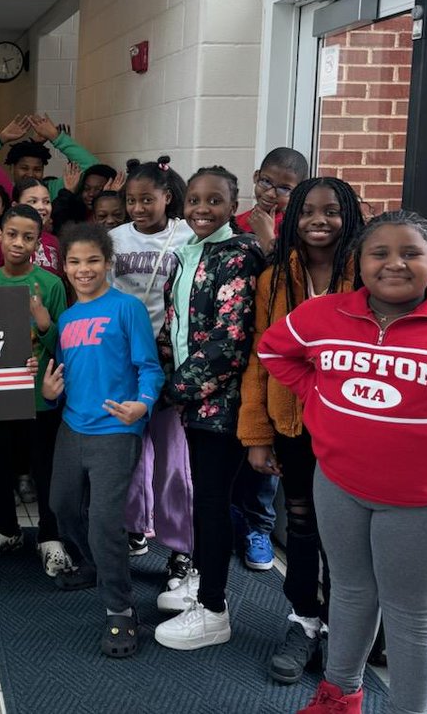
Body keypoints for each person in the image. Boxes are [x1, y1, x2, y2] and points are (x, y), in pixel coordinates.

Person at [260, 210, 427, 714]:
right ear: (358, 261)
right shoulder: (322, 316)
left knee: (411, 616)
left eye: (411, 253)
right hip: (338, 486)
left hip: (423, 502)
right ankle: (340, 695)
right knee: (351, 594)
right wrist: (318, 399)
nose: (395, 264)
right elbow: (275, 351)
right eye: (379, 253)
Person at [237, 177, 365, 684]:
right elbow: (259, 359)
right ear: (292, 218)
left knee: (347, 536)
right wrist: (258, 434)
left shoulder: (367, 274)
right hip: (293, 425)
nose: (319, 219)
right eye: (308, 210)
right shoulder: (275, 280)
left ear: (349, 216)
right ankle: (303, 620)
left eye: (331, 211)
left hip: (355, 429)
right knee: (303, 526)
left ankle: (343, 627)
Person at [154, 166, 265, 651]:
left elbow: (229, 342)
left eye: (214, 201)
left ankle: (214, 611)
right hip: (195, 403)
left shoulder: (239, 255)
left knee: (213, 505)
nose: (202, 209)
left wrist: (172, 390)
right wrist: (156, 372)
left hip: (223, 407)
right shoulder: (186, 255)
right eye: (195, 200)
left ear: (232, 204)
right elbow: (176, 329)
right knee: (205, 502)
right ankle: (204, 581)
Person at [42, 222, 164, 658]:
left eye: (93, 260)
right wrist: (49, 392)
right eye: (74, 262)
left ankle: (120, 610)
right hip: (72, 427)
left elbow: (150, 367)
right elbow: (62, 374)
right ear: (65, 268)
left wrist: (142, 404)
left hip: (116, 428)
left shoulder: (127, 308)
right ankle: (93, 565)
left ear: (109, 264)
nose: (84, 269)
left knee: (105, 522)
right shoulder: (67, 318)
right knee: (61, 507)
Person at [110, 156, 195, 593]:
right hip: (124, 359)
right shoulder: (113, 239)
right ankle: (134, 527)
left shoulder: (186, 236)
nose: (139, 208)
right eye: (131, 200)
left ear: (168, 197)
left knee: (172, 457)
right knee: (131, 452)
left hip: (169, 361)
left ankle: (181, 546)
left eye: (147, 199)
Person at [0, 205, 70, 575]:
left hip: (40, 396)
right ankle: (5, 529)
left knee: (45, 467)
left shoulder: (50, 284)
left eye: (27, 236)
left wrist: (45, 326)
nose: (18, 243)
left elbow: (65, 345)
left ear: (38, 240)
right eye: (11, 234)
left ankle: (50, 537)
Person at [231, 146, 310, 572]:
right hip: (235, 348)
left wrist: (269, 238)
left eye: (284, 188)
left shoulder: (300, 231)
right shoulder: (231, 221)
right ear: (255, 175)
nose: (272, 193)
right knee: (236, 442)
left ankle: (259, 528)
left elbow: (291, 286)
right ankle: (232, 519)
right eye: (266, 181)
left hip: (274, 353)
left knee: (269, 448)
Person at [0, 113, 101, 200]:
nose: (31, 174)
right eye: (24, 168)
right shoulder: (1, 188)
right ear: (12, 168)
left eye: (37, 169)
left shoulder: (53, 190)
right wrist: (1, 138)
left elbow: (94, 169)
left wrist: (56, 137)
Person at [0, 178, 61, 276]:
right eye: (33, 201)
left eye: (46, 202)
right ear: (15, 205)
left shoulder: (54, 241)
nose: (41, 207)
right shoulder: (0, 238)